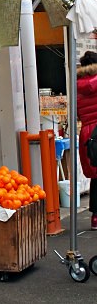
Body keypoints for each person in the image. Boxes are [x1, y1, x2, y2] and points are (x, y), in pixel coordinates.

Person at [77, 51, 97, 229]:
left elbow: (77, 114)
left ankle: (95, 218)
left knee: (95, 177)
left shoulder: (77, 87)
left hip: (86, 134)